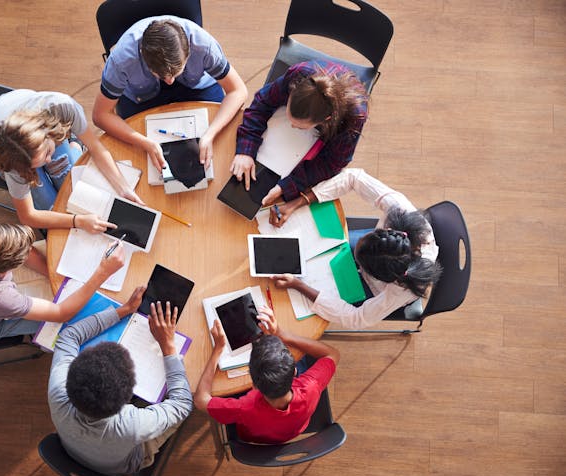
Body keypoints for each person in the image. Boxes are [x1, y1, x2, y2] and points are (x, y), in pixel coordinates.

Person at [272, 168, 443, 329]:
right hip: (379, 258)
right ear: (388, 230)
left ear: (381, 278)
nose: (352, 254)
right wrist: (298, 203)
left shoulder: (400, 291)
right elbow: (354, 177)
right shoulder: (401, 210)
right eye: (363, 237)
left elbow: (357, 318)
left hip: (373, 288)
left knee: (300, 301)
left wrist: (299, 285)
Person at [48, 299, 193, 476]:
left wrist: (123, 310)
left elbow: (69, 336)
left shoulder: (57, 392)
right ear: (127, 400)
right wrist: (169, 347)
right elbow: (183, 404)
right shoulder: (132, 423)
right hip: (123, 466)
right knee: (176, 413)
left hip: (73, 450)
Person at [92, 16, 248, 172]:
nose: (170, 82)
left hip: (196, 86)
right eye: (161, 75)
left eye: (175, 72)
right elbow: (100, 115)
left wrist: (209, 134)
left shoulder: (203, 45)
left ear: (189, 52)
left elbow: (238, 91)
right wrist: (146, 143)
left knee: (222, 142)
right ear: (144, 59)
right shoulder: (121, 61)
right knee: (137, 159)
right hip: (141, 95)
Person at [0, 89, 143, 230]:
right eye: (37, 164)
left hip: (23, 108)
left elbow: (96, 147)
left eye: (49, 152)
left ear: (47, 133)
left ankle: (75, 145)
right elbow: (28, 215)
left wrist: (123, 187)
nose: (49, 161)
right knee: (52, 207)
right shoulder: (12, 158)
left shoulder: (63, 107)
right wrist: (76, 221)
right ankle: (71, 148)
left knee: (69, 183)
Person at [0, 219, 125, 340]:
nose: (28, 252)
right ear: (6, 270)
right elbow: (61, 313)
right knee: (72, 322)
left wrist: (55, 276)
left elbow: (25, 252)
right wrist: (102, 272)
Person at [194, 306, 339, 444]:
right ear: (294, 371)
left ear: (253, 386)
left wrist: (217, 350)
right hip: (295, 428)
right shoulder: (310, 386)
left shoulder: (244, 407)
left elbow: (200, 400)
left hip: (254, 437)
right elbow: (333, 354)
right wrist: (284, 336)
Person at [230, 60, 368, 206]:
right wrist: (246, 151)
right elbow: (262, 103)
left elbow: (333, 163)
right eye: (289, 118)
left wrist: (288, 186)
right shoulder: (298, 74)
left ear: (326, 119)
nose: (291, 126)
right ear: (291, 93)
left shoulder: (353, 117)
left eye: (300, 127)